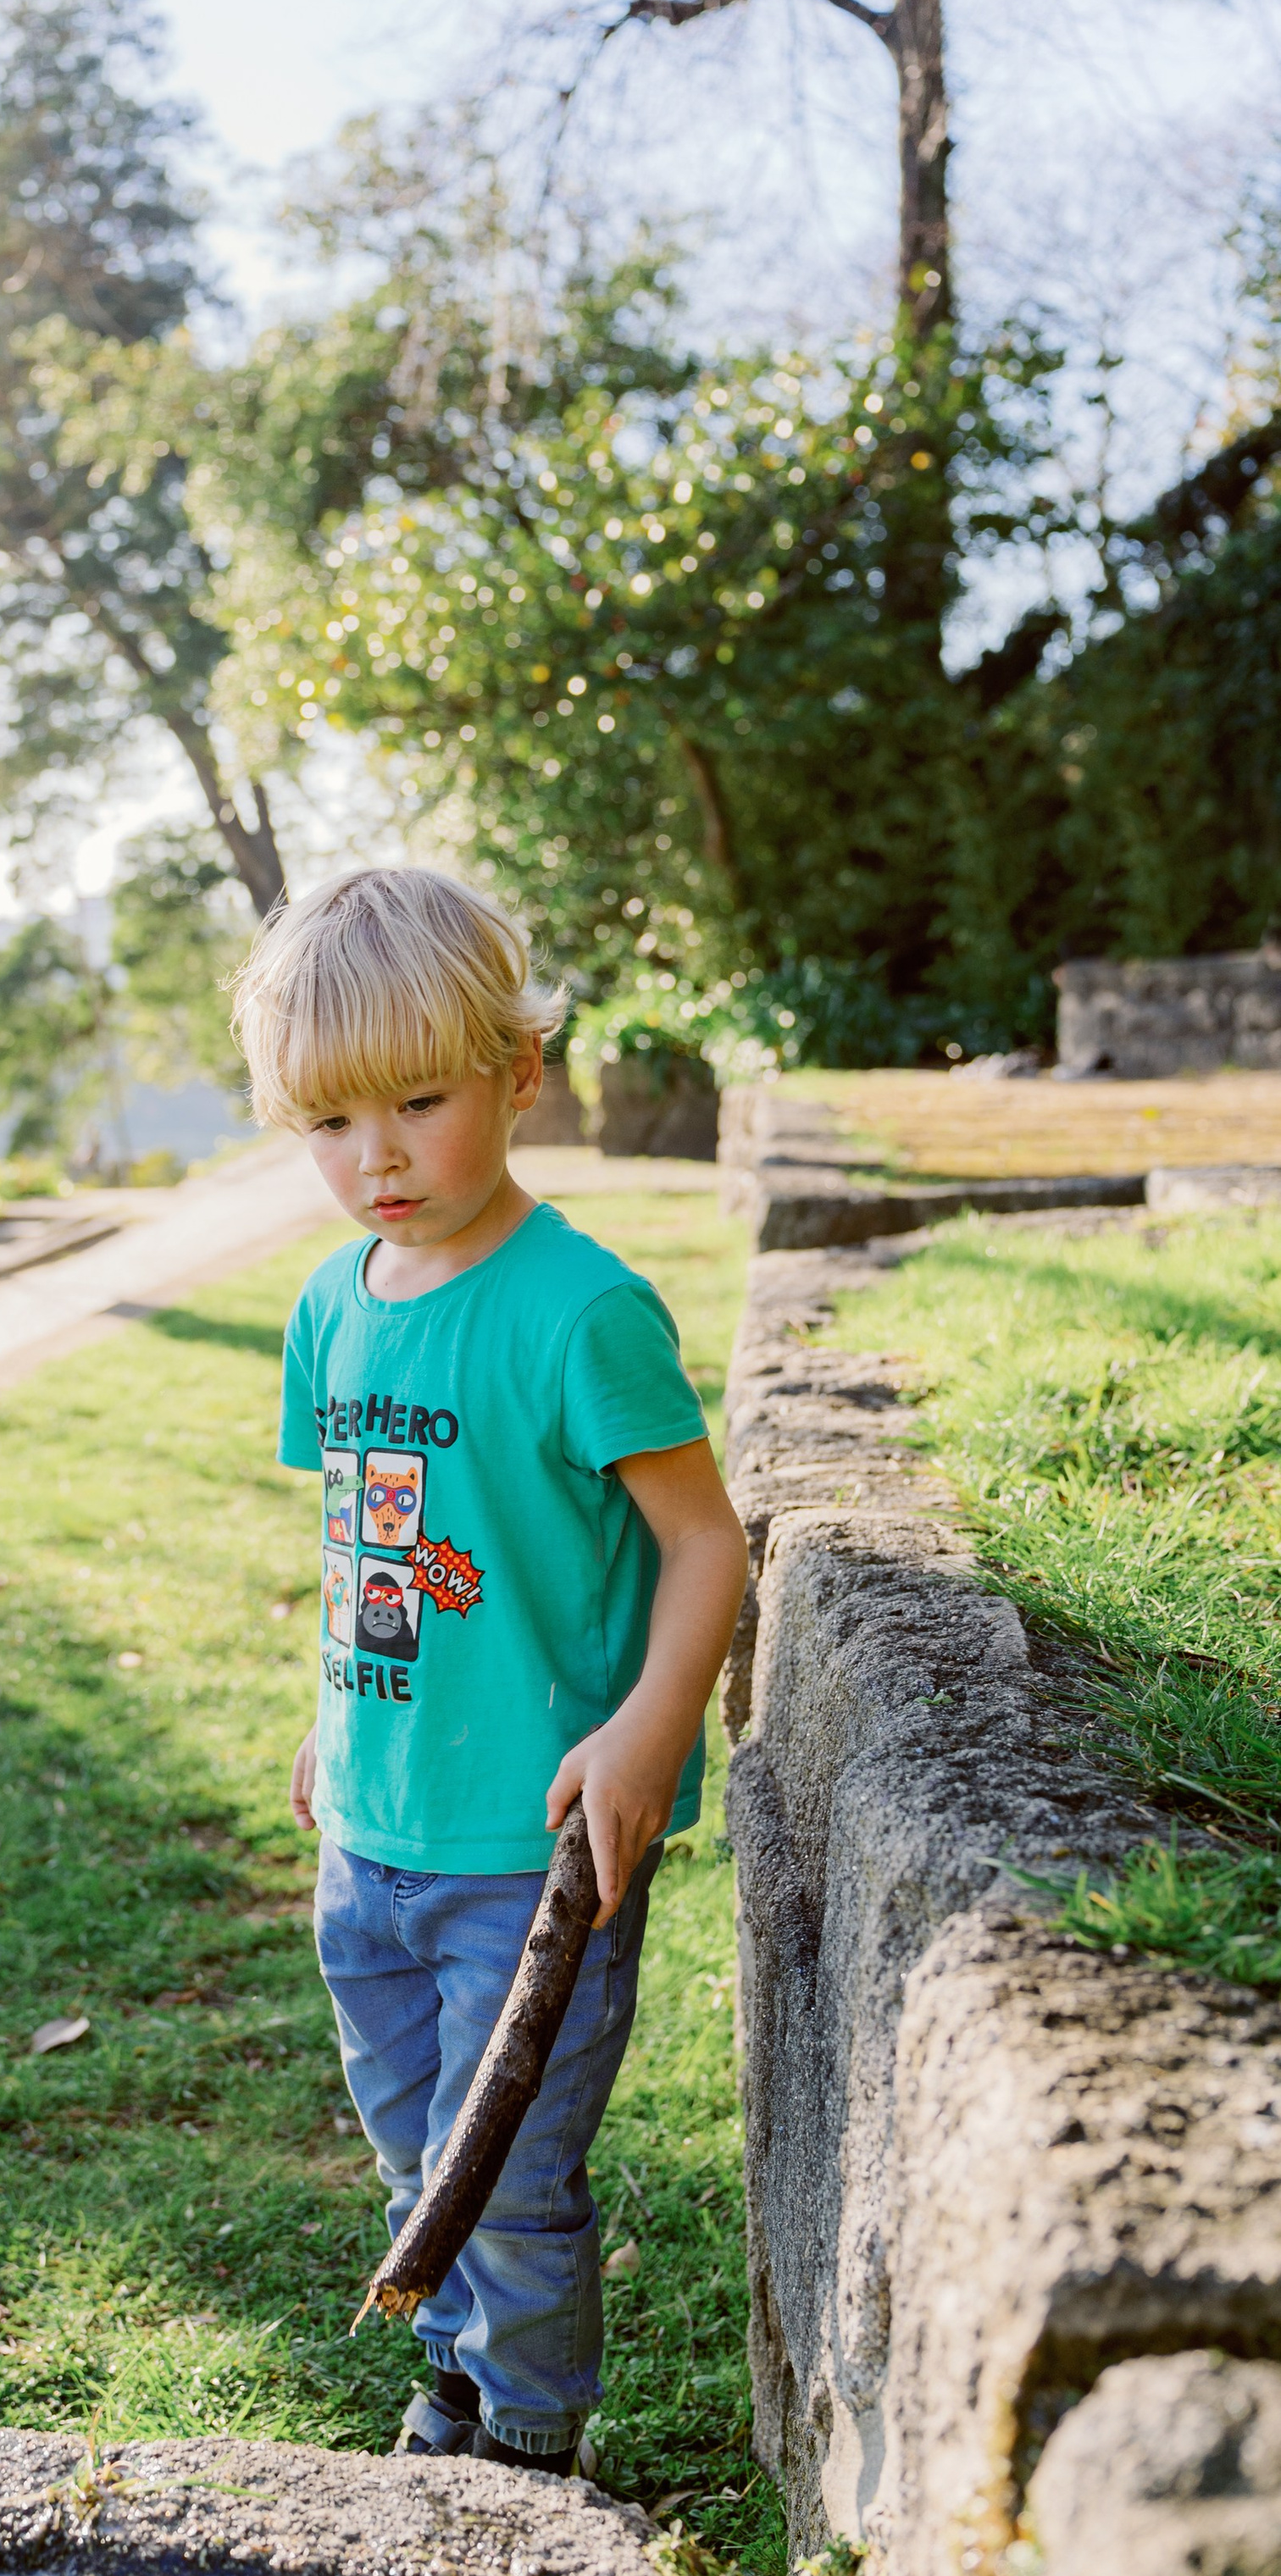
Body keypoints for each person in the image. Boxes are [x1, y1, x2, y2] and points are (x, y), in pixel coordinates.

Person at [233, 867, 748, 2479]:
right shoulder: (331, 1307)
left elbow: (706, 1543)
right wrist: (332, 1713)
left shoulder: (579, 1312)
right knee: (417, 2157)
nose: (373, 1157)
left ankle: (529, 2442)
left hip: (532, 1850)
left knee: (509, 2173)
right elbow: (368, 1542)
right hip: (368, 1839)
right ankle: (454, 2380)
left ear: (520, 1073)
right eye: (329, 1121)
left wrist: (649, 1729)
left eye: (416, 1102)